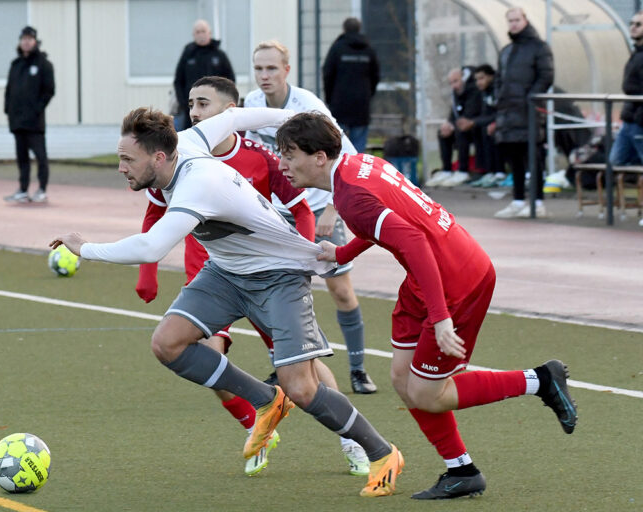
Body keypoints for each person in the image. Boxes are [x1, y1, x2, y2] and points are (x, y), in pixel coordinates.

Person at [50, 106, 404, 497]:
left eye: (126, 159)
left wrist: (86, 249)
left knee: (302, 388)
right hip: (226, 273)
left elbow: (152, 247)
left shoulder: (196, 184)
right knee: (167, 343)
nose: (121, 168)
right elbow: (235, 116)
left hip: (279, 276)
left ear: (159, 157)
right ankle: (265, 400)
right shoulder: (187, 140)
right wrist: (291, 113)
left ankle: (382, 452)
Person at [274, 111, 578, 499]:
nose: (283, 164)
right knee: (402, 379)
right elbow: (393, 222)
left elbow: (413, 241)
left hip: (455, 278)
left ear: (319, 157)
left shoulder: (350, 197)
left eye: (290, 154)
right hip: (429, 273)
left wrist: (441, 318)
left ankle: (540, 379)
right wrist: (344, 252)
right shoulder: (358, 165)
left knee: (429, 393)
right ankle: (461, 470)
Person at [135, 76, 371, 477]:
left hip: (267, 279)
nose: (194, 113)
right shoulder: (178, 158)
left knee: (304, 372)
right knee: (206, 357)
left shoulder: (260, 157)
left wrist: (304, 254)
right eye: (191, 104)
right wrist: (148, 272)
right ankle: (257, 425)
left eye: (203, 105)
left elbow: (299, 209)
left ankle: (351, 438)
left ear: (230, 114)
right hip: (215, 276)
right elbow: (154, 214)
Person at [244, 40, 377, 395]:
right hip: (276, 213)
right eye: (258, 68)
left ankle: (359, 369)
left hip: (319, 208)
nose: (264, 75)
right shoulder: (251, 105)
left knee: (341, 291)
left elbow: (346, 156)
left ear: (287, 70)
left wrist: (333, 208)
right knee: (275, 291)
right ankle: (287, 366)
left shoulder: (309, 108)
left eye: (271, 68)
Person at [492, 7, 554, 219]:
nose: (514, 24)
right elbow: (499, 78)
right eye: (510, 21)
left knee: (533, 157)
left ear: (525, 20)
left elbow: (546, 76)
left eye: (517, 20)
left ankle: (538, 202)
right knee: (514, 158)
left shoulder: (539, 47)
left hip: (529, 113)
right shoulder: (506, 50)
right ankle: (518, 200)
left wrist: (531, 98)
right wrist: (499, 97)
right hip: (508, 113)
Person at [4, 26, 55, 203]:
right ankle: (23, 190)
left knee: (40, 156)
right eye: (23, 39)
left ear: (35, 41)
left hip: (34, 122)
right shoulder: (15, 64)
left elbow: (49, 91)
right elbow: (9, 90)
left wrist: (36, 109)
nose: (26, 42)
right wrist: (8, 110)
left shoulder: (43, 64)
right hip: (17, 121)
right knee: (22, 157)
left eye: (29, 39)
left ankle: (41, 189)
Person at [322, 17, 380, 153]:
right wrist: (367, 95)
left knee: (336, 143)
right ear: (359, 29)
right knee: (358, 147)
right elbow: (376, 76)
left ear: (344, 29)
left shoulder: (337, 48)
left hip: (339, 104)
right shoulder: (368, 50)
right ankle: (357, 172)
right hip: (361, 105)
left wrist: (329, 99)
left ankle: (338, 171)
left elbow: (327, 74)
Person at [609, 10, 643, 228]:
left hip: (640, 119)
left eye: (638, 24)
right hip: (629, 118)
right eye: (631, 23)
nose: (632, 27)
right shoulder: (636, 53)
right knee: (615, 161)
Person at [173, 20, 235, 131]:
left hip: (215, 109)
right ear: (193, 35)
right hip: (191, 109)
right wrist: (184, 104)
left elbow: (230, 81)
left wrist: (222, 103)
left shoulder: (219, 55)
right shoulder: (188, 54)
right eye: (198, 32)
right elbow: (178, 81)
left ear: (209, 33)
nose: (201, 35)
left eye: (203, 31)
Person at [425, 67, 481, 188]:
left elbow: (470, 114)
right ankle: (446, 170)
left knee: (461, 132)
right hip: (460, 126)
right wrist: (448, 124)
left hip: (476, 127)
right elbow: (454, 113)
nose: (453, 85)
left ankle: (463, 170)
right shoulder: (456, 94)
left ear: (464, 78)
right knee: (443, 133)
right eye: (451, 82)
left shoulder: (474, 91)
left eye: (456, 81)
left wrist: (455, 126)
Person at [459, 64, 505, 188]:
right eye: (476, 79)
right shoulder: (484, 92)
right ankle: (486, 170)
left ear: (491, 76)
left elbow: (500, 112)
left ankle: (499, 172)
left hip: (506, 123)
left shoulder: (498, 89)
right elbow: (486, 114)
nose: (478, 82)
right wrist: (472, 122)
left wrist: (478, 122)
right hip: (494, 123)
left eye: (481, 78)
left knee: (489, 129)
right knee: (477, 129)